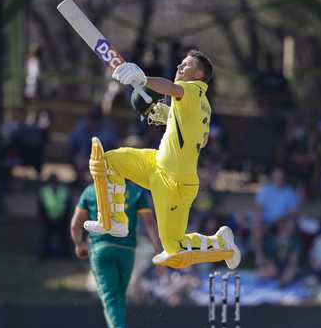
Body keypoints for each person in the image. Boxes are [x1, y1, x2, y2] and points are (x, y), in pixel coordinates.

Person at [83, 50, 241, 271]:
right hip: (156, 165)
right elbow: (199, 138)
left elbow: (173, 88)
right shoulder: (201, 105)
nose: (179, 67)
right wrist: (163, 114)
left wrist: (143, 79)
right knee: (108, 161)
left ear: (199, 75)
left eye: (186, 65)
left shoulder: (193, 90)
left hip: (175, 184)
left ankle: (222, 244)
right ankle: (116, 220)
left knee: (174, 249)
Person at [71, 179, 162, 328]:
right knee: (118, 299)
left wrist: (79, 244)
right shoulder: (136, 191)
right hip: (126, 250)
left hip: (101, 248)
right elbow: (149, 222)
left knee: (110, 298)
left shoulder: (91, 190)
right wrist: (159, 253)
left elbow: (75, 226)